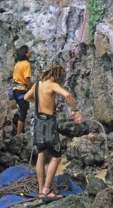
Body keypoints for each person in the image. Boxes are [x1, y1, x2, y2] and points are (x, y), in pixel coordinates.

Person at [24, 63, 82, 199]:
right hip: (49, 123)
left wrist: (38, 101)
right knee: (56, 157)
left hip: (38, 122)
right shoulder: (52, 85)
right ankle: (46, 190)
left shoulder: (37, 84)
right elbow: (67, 95)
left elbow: (26, 97)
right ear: (57, 76)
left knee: (41, 155)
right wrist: (75, 110)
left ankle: (40, 191)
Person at [12, 45, 32, 135]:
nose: (30, 52)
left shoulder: (17, 64)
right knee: (23, 113)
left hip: (15, 90)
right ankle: (18, 135)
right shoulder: (26, 64)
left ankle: (19, 131)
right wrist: (32, 88)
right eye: (29, 51)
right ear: (26, 53)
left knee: (21, 110)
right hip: (21, 90)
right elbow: (27, 79)